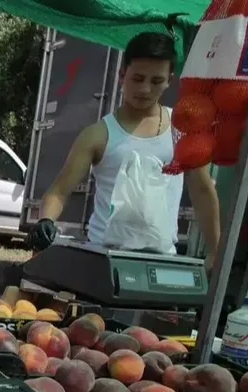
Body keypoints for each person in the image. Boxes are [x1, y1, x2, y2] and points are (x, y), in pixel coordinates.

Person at [27, 32, 220, 271]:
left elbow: (202, 190)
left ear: (169, 80)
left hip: (162, 263)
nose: (145, 89)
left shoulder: (182, 130)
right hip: (103, 264)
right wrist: (46, 221)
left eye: (156, 81)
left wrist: (214, 251)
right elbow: (59, 192)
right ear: (121, 75)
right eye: (137, 78)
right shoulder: (97, 135)